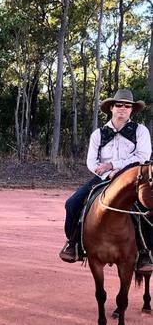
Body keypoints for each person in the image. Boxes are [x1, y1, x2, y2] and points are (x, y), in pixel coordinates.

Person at [59, 89, 153, 273]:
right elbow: (91, 162)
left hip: (132, 180)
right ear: (111, 107)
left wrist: (112, 165)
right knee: (72, 203)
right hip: (103, 178)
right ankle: (74, 243)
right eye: (119, 105)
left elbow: (143, 157)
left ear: (132, 110)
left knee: (147, 209)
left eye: (128, 106)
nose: (123, 109)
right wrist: (106, 173)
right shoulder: (98, 134)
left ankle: (146, 252)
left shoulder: (140, 131)